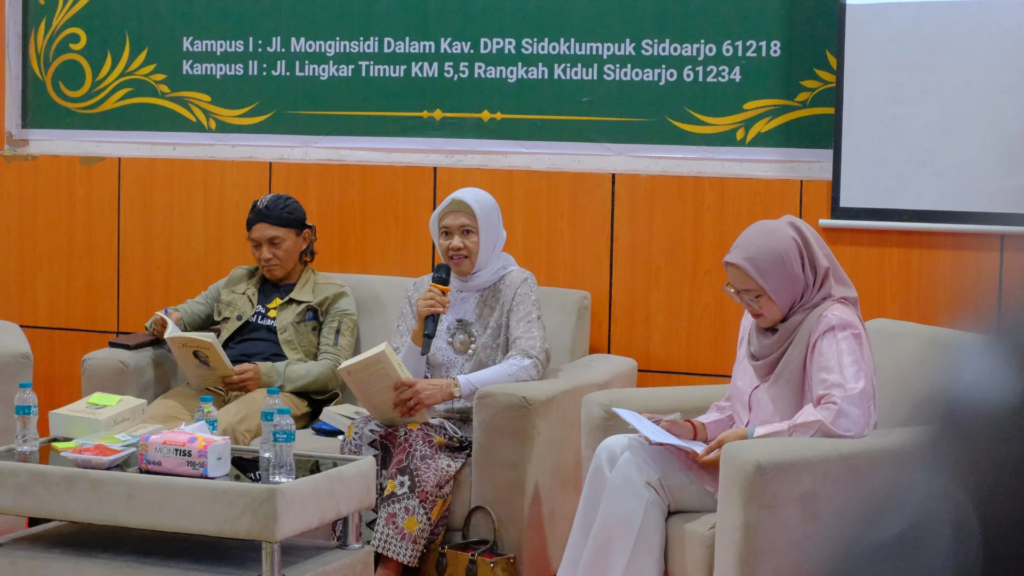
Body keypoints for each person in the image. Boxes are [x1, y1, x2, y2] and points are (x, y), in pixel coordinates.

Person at [558, 215, 878, 576]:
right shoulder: (756, 322)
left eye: (755, 294)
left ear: (788, 280)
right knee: (614, 448)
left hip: (785, 471)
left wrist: (753, 437)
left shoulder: (833, 324)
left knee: (637, 468)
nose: (746, 304)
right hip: (738, 462)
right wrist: (693, 428)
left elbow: (845, 417)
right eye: (736, 292)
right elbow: (738, 403)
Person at [339, 187, 551, 576]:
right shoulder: (424, 288)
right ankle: (350, 556)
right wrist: (419, 328)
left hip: (471, 423)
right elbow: (404, 374)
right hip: (420, 417)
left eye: (467, 232)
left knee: (417, 443)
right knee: (359, 432)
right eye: (446, 233)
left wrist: (453, 386)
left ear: (489, 234)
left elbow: (529, 361)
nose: (454, 244)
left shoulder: (515, 284)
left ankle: (389, 568)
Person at [144, 194, 358, 446]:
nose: (264, 255)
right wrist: (167, 319)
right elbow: (187, 312)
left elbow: (333, 370)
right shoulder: (238, 280)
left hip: (281, 392)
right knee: (148, 428)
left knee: (218, 433)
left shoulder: (332, 294)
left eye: (275, 243)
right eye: (256, 245)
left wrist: (265, 374)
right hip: (217, 386)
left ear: (304, 239)